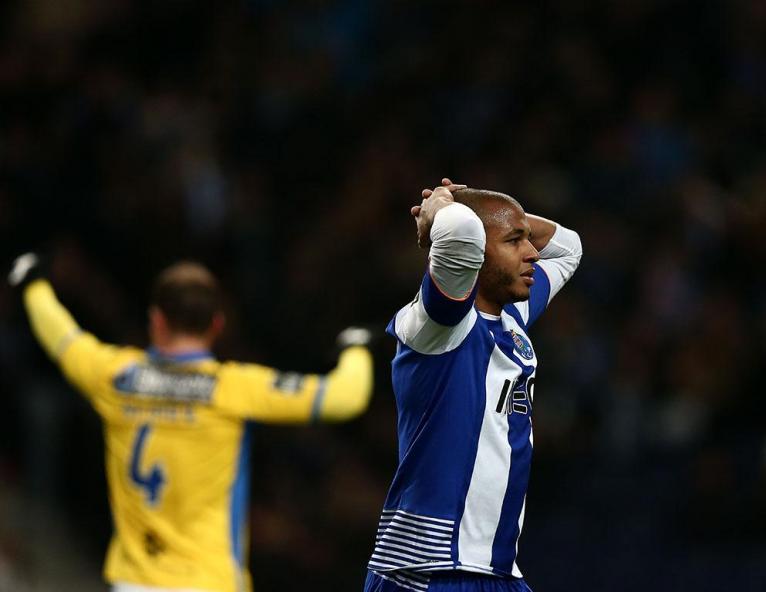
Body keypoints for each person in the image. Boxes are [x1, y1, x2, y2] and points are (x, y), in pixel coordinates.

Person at [8, 255, 374, 592]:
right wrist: (355, 348)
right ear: (217, 325)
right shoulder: (232, 388)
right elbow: (344, 398)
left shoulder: (114, 375)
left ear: (156, 320)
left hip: (133, 581)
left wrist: (33, 284)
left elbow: (62, 336)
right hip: (208, 581)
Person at [364, 179, 582, 592]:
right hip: (429, 568)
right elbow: (461, 231)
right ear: (476, 253)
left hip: (496, 571)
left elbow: (569, 247)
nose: (533, 252)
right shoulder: (437, 323)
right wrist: (440, 209)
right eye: (514, 241)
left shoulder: (512, 316)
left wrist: (494, 213)